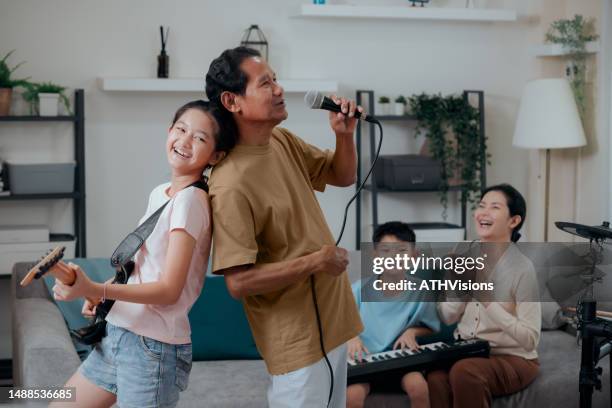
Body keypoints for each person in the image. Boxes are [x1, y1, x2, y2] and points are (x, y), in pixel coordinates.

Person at [49, 100, 235, 408]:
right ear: (169, 131)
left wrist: (94, 287)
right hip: (118, 334)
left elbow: (169, 290)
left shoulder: (190, 202)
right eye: (181, 129)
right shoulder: (161, 193)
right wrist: (103, 297)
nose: (185, 141)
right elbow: (142, 270)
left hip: (152, 349)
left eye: (200, 138)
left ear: (216, 155)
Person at [205, 46, 363, 407]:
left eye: (275, 79)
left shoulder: (281, 140)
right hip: (298, 341)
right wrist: (315, 261)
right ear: (232, 101)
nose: (279, 89)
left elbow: (342, 175)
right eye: (266, 83)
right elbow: (238, 282)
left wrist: (344, 135)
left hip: (335, 323)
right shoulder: (230, 184)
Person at [427, 183, 541, 408]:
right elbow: (448, 318)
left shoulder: (522, 268)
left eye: (495, 207)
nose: (483, 213)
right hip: (468, 350)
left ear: (513, 221)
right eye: (481, 206)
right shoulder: (464, 253)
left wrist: (486, 301)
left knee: (465, 371)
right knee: (436, 376)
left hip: (514, 358)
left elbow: (530, 339)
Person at [347, 221, 440, 408]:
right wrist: (351, 337)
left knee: (419, 388)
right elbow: (340, 322)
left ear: (414, 257)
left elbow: (431, 327)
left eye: (401, 252)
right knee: (352, 396)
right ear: (375, 257)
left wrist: (412, 332)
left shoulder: (422, 292)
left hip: (402, 362)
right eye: (386, 251)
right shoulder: (358, 289)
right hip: (364, 362)